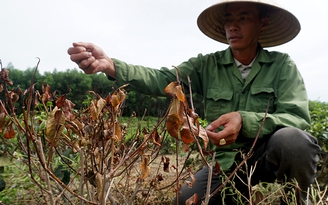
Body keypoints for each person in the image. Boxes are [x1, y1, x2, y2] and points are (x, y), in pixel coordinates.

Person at [67, 0, 321, 204]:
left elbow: (296, 117)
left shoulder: (282, 65)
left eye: (243, 18)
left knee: (294, 141)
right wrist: (111, 66)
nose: (233, 26)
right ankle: (236, 194)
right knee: (189, 199)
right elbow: (163, 79)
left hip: (267, 158)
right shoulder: (207, 65)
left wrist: (245, 121)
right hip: (226, 161)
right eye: (228, 20)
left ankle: (297, 199)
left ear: (262, 23)